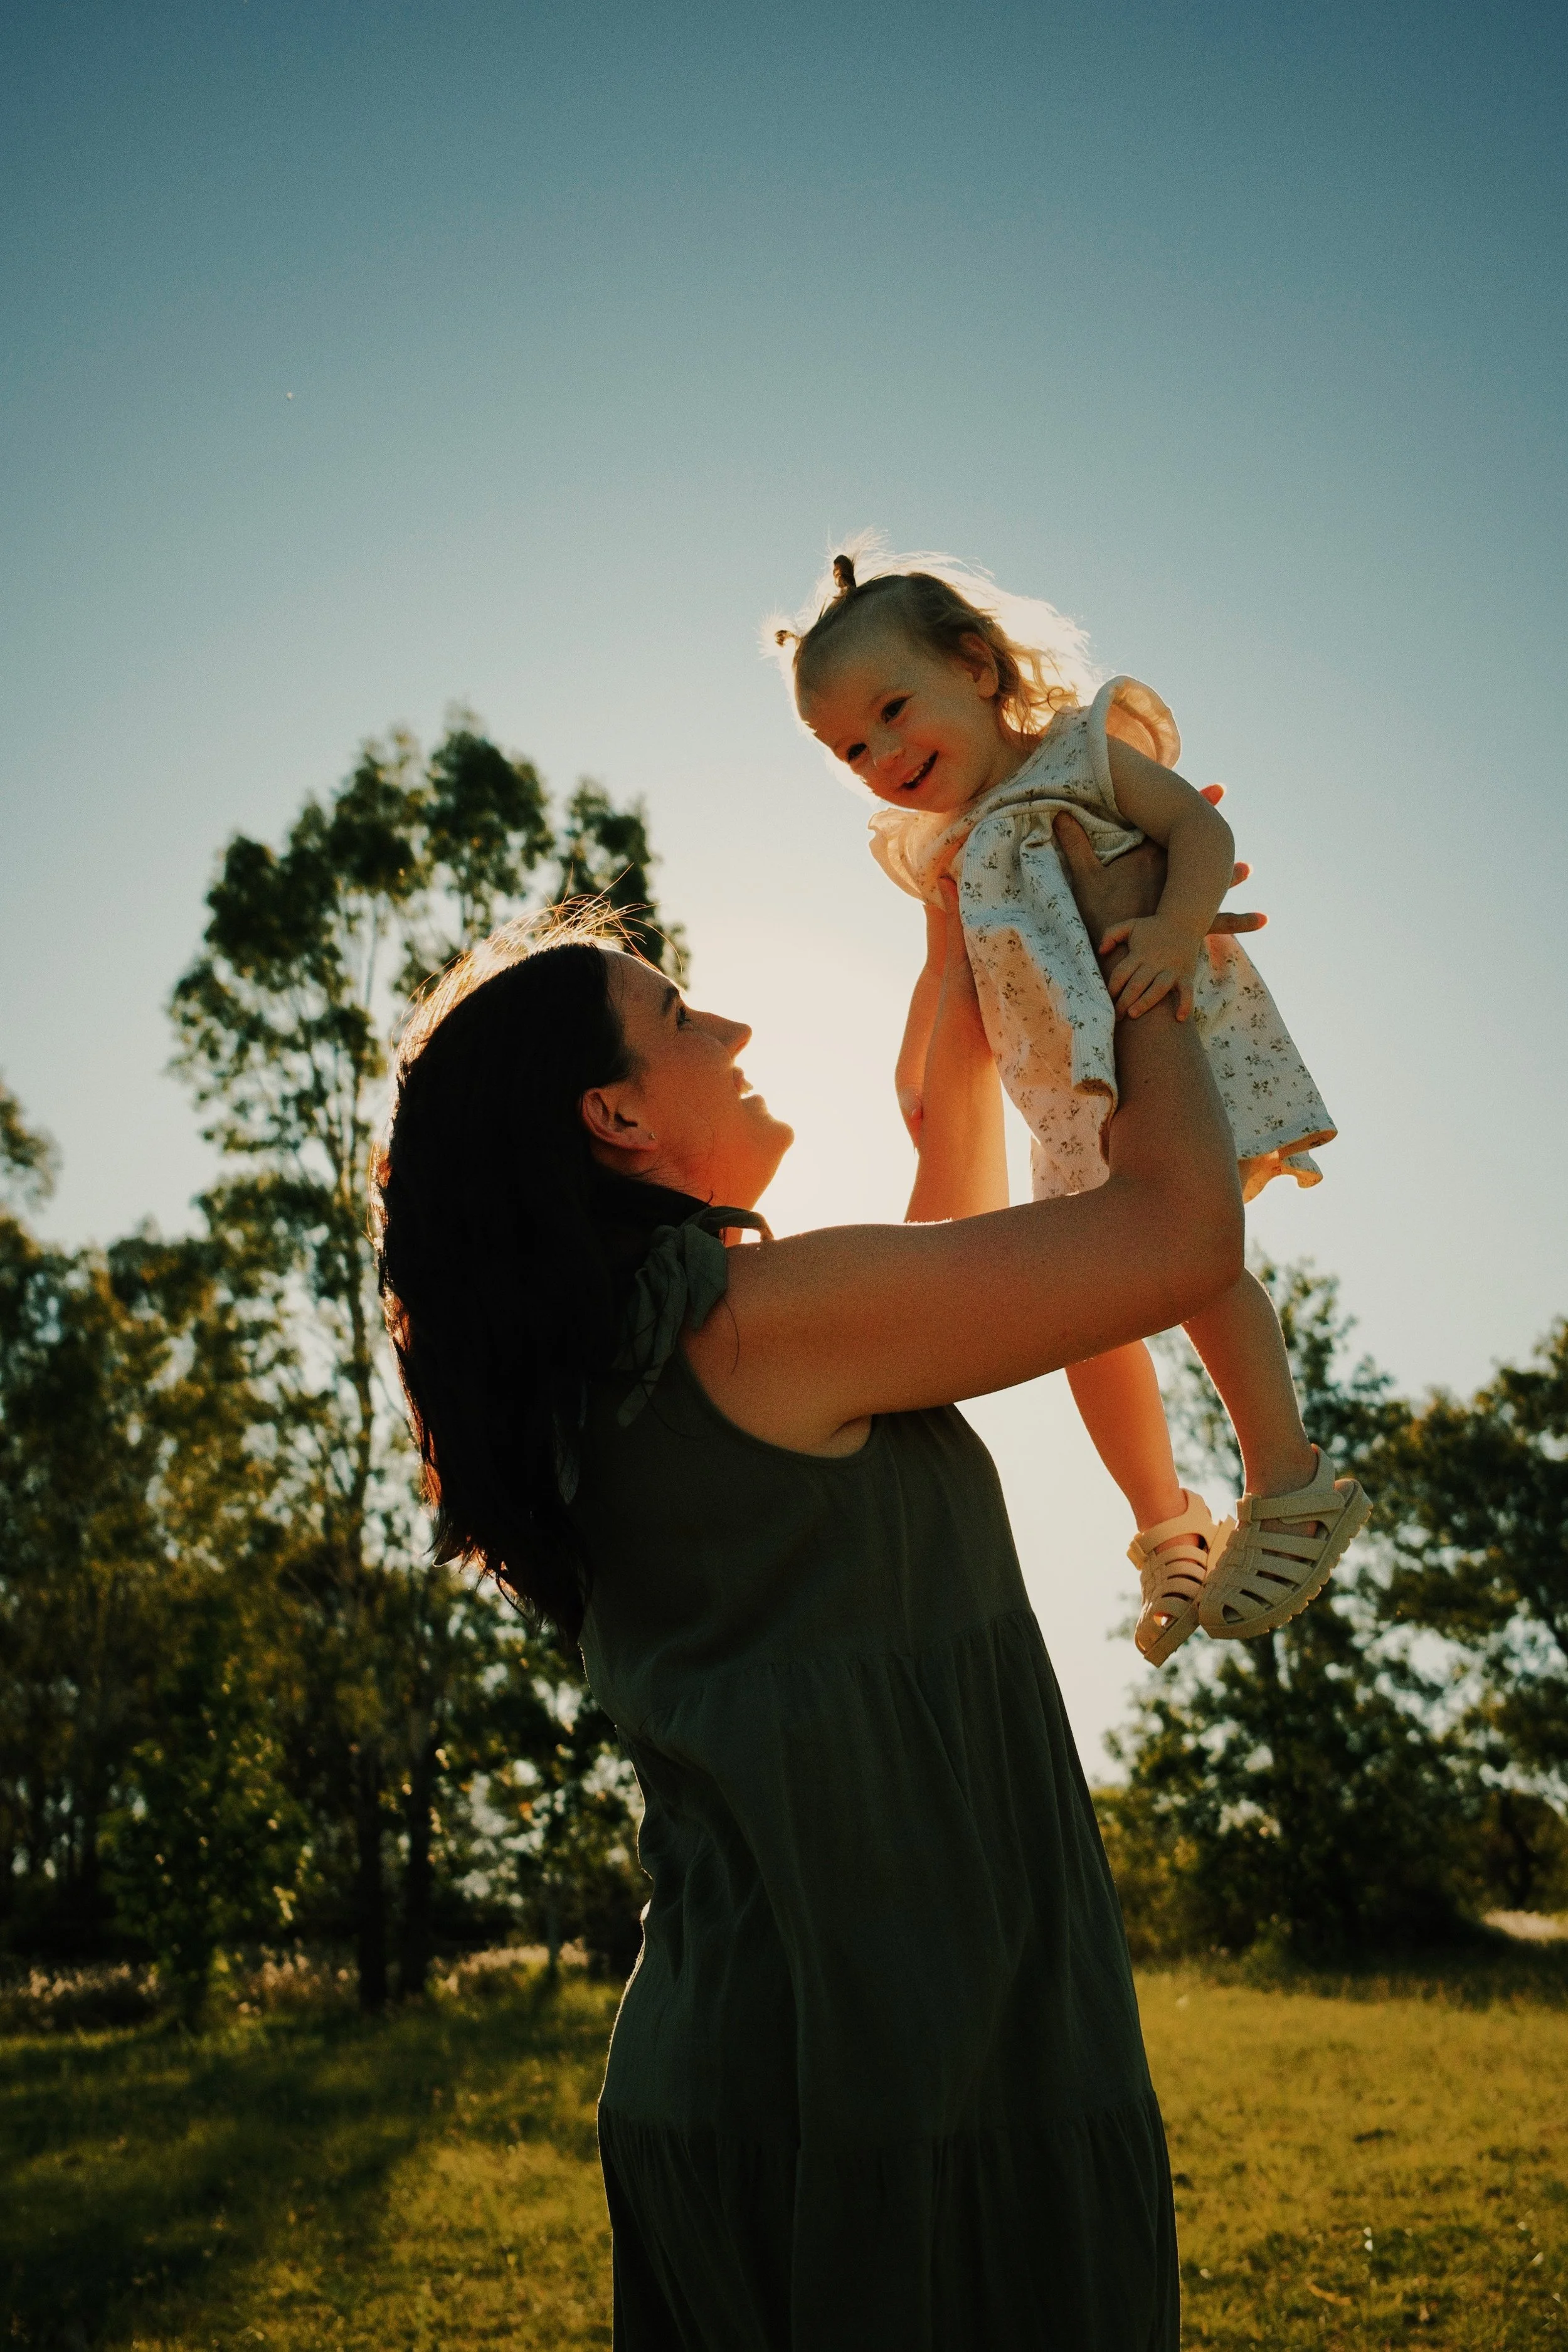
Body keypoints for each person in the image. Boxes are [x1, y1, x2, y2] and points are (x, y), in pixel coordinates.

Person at [374, 821, 1259, 2349]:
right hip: (899, 2087)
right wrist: (1140, 955)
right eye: (676, 1019)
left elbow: (950, 1229)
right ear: (614, 1116)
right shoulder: (750, 1325)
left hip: (746, 2077)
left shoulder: (618, 1379)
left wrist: (951, 957)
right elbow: (1178, 1239)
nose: (731, 1029)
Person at [775, 551, 1370, 1667]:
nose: (884, 758)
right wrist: (915, 1083)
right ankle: (1165, 1523)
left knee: (1198, 1264)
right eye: (851, 749)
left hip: (1158, 1037)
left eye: (894, 712)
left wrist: (1176, 927)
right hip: (1064, 1105)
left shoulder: (1085, 757)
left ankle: (1288, 1477)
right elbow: (941, 978)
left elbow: (1201, 833)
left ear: (978, 666)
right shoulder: (938, 850)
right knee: (1088, 1321)